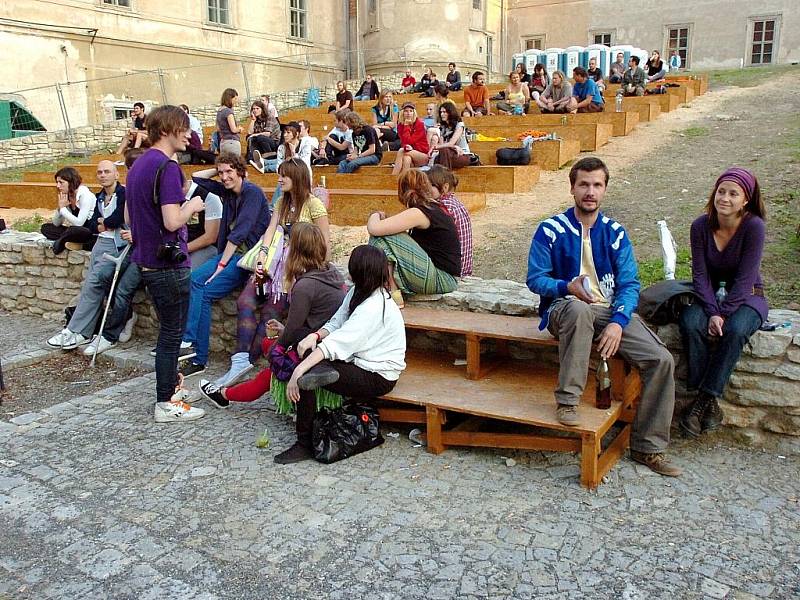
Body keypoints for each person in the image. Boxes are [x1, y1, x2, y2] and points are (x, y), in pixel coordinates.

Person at [526, 157, 681, 476]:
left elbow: (629, 284)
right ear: (572, 188)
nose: (590, 191)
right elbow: (535, 279)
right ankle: (568, 400)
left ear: (605, 190)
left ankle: (648, 447)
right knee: (579, 308)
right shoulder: (550, 230)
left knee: (661, 360)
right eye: (583, 184)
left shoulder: (615, 234)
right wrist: (564, 285)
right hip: (565, 309)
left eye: (597, 185)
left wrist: (617, 322)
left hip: (608, 312)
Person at [274, 244, 406, 464]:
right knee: (302, 337)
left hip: (377, 375)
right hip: (357, 359)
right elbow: (337, 321)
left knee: (307, 378)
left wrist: (298, 371)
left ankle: (304, 443)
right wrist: (315, 336)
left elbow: (337, 343)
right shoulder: (360, 291)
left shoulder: (373, 306)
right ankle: (319, 369)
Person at [198, 222, 344, 407]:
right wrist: (283, 331)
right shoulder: (330, 272)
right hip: (325, 341)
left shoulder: (305, 286)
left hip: (318, 349)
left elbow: (294, 329)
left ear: (296, 251)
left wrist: (279, 347)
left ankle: (224, 395)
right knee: (268, 343)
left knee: (267, 372)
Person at [216, 158, 331, 387]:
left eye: (283, 176)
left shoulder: (314, 205)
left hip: (295, 271)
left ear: (296, 178)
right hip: (272, 265)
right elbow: (271, 230)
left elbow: (325, 246)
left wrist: (306, 275)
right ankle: (240, 359)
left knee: (270, 312)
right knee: (245, 301)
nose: (279, 179)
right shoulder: (281, 202)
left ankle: (250, 360)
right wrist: (262, 255)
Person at [125, 105, 207, 422]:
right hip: (168, 265)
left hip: (147, 262)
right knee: (172, 335)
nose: (190, 134)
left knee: (167, 333)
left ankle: (171, 388)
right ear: (167, 130)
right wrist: (193, 205)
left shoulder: (138, 166)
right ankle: (165, 402)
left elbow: (131, 217)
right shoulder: (167, 167)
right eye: (184, 128)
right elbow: (173, 221)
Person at [679, 168, 767, 437]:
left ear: (746, 201)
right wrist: (712, 311)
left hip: (747, 294)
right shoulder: (700, 227)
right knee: (691, 322)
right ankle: (710, 404)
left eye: (733, 194)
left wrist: (725, 314)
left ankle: (702, 401)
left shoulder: (754, 227)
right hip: (708, 295)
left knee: (736, 330)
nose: (725, 198)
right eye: (721, 191)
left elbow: (746, 277)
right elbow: (700, 275)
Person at [179, 152, 271, 379]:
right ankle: (198, 359)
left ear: (240, 171)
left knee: (196, 281)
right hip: (231, 255)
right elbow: (197, 177)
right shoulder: (227, 191)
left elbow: (240, 233)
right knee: (205, 295)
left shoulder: (252, 193)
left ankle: (188, 338)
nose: (225, 176)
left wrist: (220, 264)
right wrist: (217, 168)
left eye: (230, 171)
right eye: (221, 173)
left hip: (244, 258)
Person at [46, 161, 140, 353]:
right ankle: (82, 330)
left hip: (117, 244)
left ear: (116, 175)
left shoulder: (123, 194)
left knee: (94, 284)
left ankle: (76, 330)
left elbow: (117, 220)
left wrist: (104, 223)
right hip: (100, 243)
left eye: (107, 172)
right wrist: (104, 223)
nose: (103, 175)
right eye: (99, 172)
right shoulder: (100, 197)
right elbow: (91, 225)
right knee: (91, 284)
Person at [368, 169, 461, 303]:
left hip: (442, 279)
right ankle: (392, 290)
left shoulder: (420, 212)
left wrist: (375, 214)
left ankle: (392, 293)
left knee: (380, 237)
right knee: (383, 238)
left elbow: (374, 228)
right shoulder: (432, 208)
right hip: (441, 276)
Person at [426, 165, 472, 277]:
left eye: (431, 185)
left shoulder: (442, 207)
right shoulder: (456, 203)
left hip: (451, 272)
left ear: (445, 187)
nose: (425, 189)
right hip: (465, 269)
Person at [40, 167, 96, 254]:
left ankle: (61, 241)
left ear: (71, 182)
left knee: (76, 230)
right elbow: (56, 223)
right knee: (45, 228)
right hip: (73, 231)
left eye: (61, 182)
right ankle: (66, 239)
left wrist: (63, 209)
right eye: (57, 182)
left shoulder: (85, 195)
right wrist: (60, 208)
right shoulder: (67, 196)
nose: (58, 186)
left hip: (87, 231)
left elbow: (79, 223)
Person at [391, 103, 430, 176]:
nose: (408, 113)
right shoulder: (400, 126)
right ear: (402, 113)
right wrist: (407, 147)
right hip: (409, 153)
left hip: (422, 155)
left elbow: (410, 141)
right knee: (406, 159)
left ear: (414, 112)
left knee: (401, 151)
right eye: (406, 111)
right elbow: (404, 142)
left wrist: (406, 126)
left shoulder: (419, 124)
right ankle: (403, 182)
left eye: (411, 111)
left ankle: (393, 176)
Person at [431, 102, 472, 170]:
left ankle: (444, 178)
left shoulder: (459, 125)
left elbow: (450, 143)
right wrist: (454, 147)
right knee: (438, 157)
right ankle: (445, 177)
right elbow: (443, 146)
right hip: (448, 154)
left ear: (450, 112)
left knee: (441, 157)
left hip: (462, 154)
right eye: (441, 112)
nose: (442, 114)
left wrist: (435, 147)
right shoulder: (442, 127)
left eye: (444, 112)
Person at [247, 99, 280, 164]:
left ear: (262, 109)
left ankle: (270, 155)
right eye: (253, 109)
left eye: (257, 108)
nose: (255, 110)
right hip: (263, 142)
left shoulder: (270, 117)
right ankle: (252, 157)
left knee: (260, 137)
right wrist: (253, 120)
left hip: (275, 142)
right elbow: (249, 132)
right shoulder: (257, 119)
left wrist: (254, 135)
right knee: (250, 137)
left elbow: (268, 134)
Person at [217, 88, 242, 156]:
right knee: (235, 164)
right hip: (232, 142)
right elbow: (233, 129)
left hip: (223, 143)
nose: (236, 101)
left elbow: (218, 128)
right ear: (230, 98)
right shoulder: (228, 111)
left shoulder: (219, 111)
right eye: (235, 99)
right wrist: (239, 129)